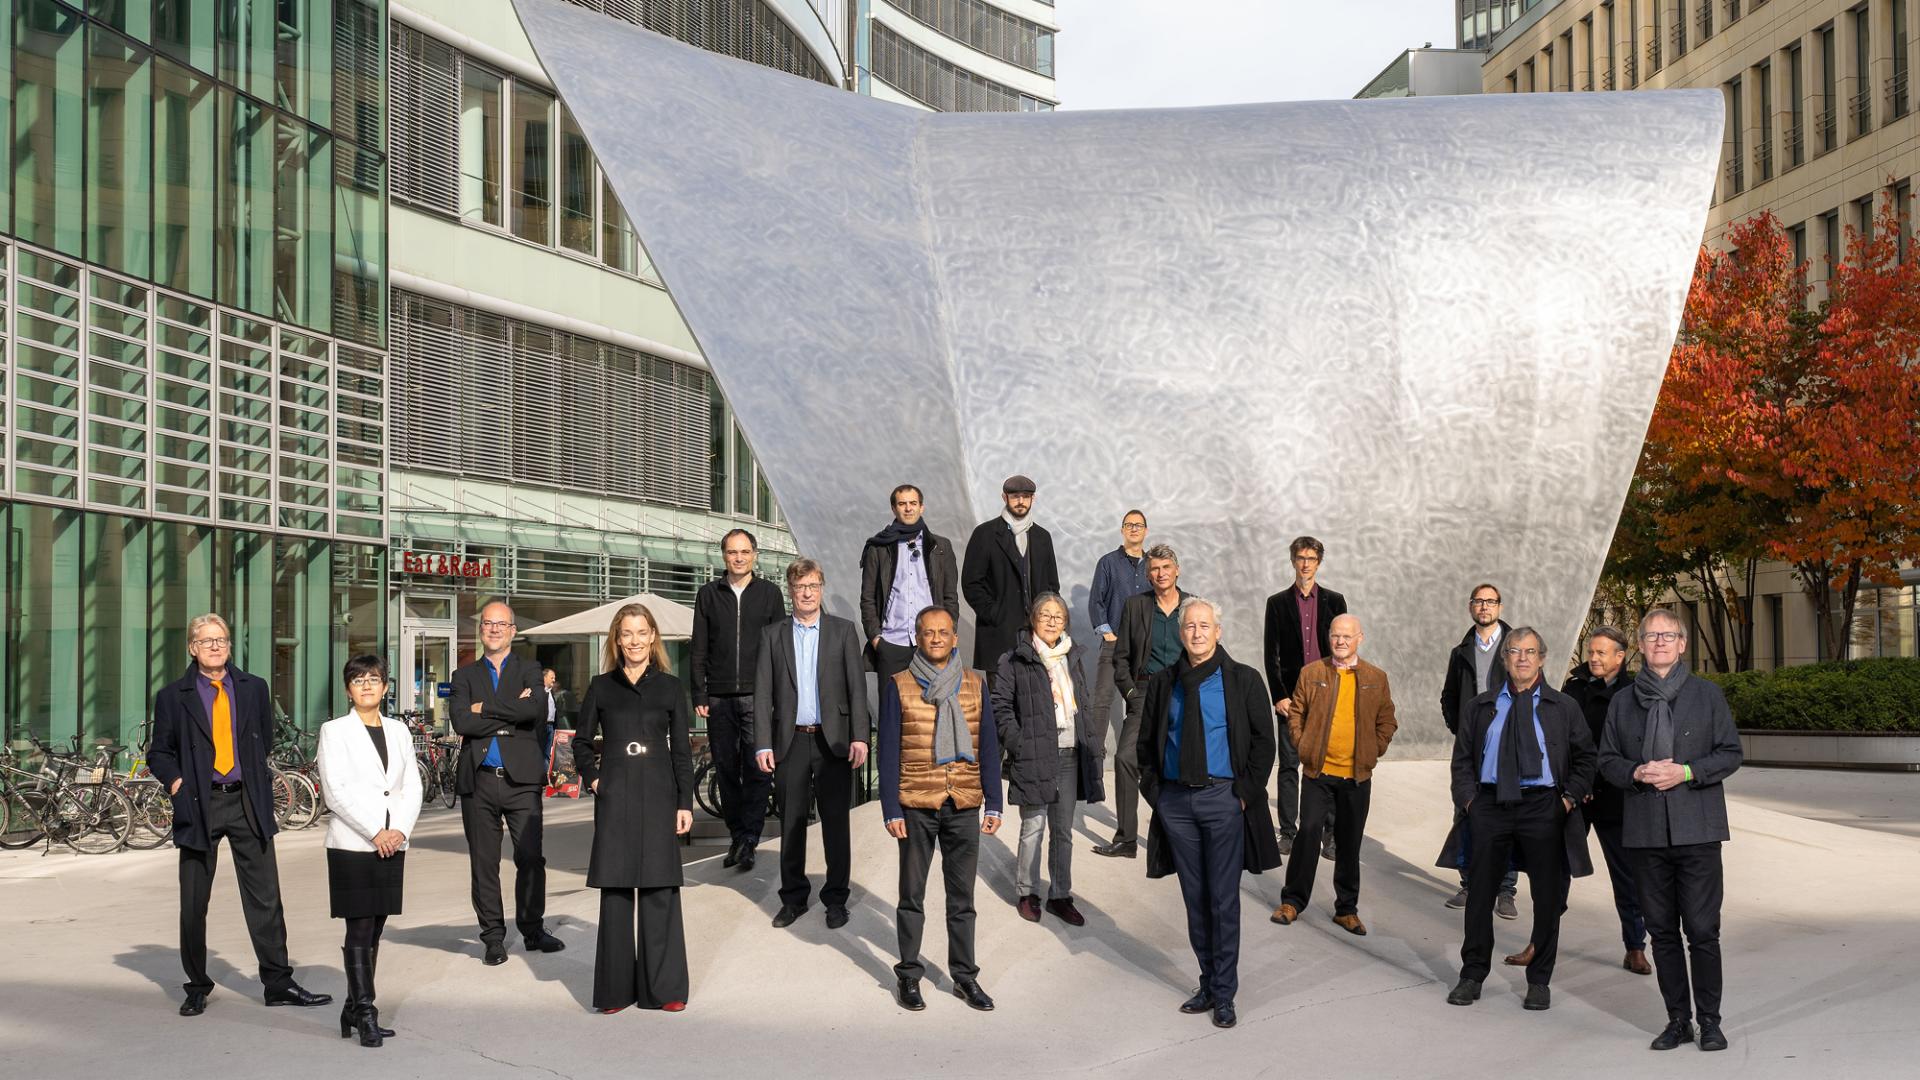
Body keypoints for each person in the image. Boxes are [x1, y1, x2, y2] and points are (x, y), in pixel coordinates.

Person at [149, 613, 332, 1017]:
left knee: (266, 898)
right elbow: (158, 751)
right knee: (194, 903)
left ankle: (278, 983)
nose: (216, 646)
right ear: (193, 648)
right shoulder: (172, 695)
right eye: (207, 640)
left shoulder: (253, 689)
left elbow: (263, 739)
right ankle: (196, 985)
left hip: (247, 802)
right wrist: (177, 781)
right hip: (200, 805)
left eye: (222, 639)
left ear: (230, 646)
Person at [1598, 609, 1743, 1053]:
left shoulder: (1707, 696)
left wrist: (1685, 771)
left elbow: (1730, 753)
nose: (1660, 642)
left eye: (1669, 635)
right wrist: (1636, 772)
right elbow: (1606, 760)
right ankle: (1677, 1020)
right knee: (1661, 932)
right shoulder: (1622, 701)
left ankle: (1710, 1022)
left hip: (1697, 829)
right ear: (1640, 646)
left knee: (1701, 930)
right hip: (1644, 833)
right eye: (1652, 636)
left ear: (1682, 644)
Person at [1138, 597, 1280, 1030]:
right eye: (1190, 626)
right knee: (1195, 901)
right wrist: (1159, 796)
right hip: (1177, 805)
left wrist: (1243, 795)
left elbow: (1263, 742)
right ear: (1181, 634)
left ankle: (1224, 993)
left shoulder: (1243, 680)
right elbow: (1146, 747)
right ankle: (1206, 982)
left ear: (1218, 632)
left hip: (1223, 801)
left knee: (1222, 900)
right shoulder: (1164, 683)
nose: (1197, 633)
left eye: (1205, 625)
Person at [1443, 627, 1596, 1013]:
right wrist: (1469, 802)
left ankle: (1539, 979)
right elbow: (1461, 760)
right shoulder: (1480, 707)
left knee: (1547, 898)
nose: (1523, 658)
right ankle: (1472, 974)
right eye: (1514, 651)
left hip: (1543, 807)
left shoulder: (1563, 708)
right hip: (1490, 805)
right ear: (1504, 659)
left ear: (1542, 658)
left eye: (1530, 651)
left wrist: (1566, 800)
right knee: (1479, 895)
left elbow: (1586, 758)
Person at [878, 606, 1004, 1012]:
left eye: (943, 632)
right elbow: (888, 751)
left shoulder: (975, 684)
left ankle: (965, 978)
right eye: (928, 632)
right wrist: (890, 810)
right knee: (911, 896)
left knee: (962, 899)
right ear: (917, 638)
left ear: (954, 638)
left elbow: (987, 746)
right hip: (916, 804)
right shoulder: (898, 684)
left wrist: (995, 802)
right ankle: (909, 976)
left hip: (964, 802)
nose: (936, 638)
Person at [1505, 626, 1649, 973]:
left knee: (1626, 876)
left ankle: (1635, 947)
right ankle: (1539, 944)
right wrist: (1574, 785)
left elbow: (1634, 745)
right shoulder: (1573, 687)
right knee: (1554, 872)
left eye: (1602, 652)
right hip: (1574, 795)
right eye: (1591, 652)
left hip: (1616, 797)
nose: (1594, 658)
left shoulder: (1634, 693)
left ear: (1620, 656)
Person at [574, 603, 696, 1014]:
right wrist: (593, 777)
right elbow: (580, 741)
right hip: (616, 793)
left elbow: (682, 750)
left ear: (653, 637)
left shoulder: (671, 687)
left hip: (660, 791)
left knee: (660, 889)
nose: (635, 641)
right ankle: (615, 991)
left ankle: (665, 990)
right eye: (627, 633)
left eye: (642, 632)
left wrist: (685, 802)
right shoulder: (600, 686)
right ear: (617, 639)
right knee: (617, 890)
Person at [754, 559, 869, 929]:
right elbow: (762, 694)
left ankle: (836, 899)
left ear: (821, 588)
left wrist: (860, 737)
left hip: (832, 741)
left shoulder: (843, 631)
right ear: (791, 590)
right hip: (790, 742)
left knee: (836, 824)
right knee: (791, 823)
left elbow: (857, 689)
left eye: (813, 585)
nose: (807, 592)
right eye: (800, 586)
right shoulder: (772, 635)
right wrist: (762, 744)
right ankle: (793, 899)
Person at [316, 655, 422, 1047]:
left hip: (393, 841)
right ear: (348, 689)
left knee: (377, 925)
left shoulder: (398, 731)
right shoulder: (335, 730)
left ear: (385, 687)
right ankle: (366, 1011)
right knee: (359, 927)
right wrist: (376, 831)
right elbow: (335, 791)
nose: (366, 686)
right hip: (355, 843)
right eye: (358, 680)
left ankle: (352, 1007)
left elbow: (413, 785)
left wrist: (398, 831)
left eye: (373, 679)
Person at [452, 600, 563, 965]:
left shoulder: (530, 670)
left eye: (502, 624)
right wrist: (507, 712)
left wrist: (485, 708)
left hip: (522, 782)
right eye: (488, 623)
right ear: (480, 629)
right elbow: (462, 724)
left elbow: (533, 712)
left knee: (531, 857)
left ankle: (532, 929)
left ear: (513, 631)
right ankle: (493, 938)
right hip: (479, 781)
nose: (494, 629)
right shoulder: (464, 676)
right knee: (484, 863)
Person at [1273, 614, 1396, 934]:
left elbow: (1387, 720)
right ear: (1328, 638)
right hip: (1318, 772)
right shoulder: (1312, 673)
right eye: (1335, 636)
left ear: (1360, 638)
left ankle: (1346, 909)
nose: (1340, 641)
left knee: (1348, 842)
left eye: (1347, 636)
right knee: (1308, 833)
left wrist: (1374, 749)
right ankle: (1293, 901)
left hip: (1356, 777)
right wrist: (1304, 745)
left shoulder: (1375, 677)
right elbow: (1296, 712)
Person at [991, 592, 1097, 926]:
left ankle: (1061, 895)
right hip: (1034, 755)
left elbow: (1084, 699)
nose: (1052, 621)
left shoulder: (1072, 656)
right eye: (1045, 615)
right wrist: (1019, 743)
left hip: (1068, 754)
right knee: (1033, 827)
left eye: (1058, 616)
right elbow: (1001, 705)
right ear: (1033, 619)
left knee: (1063, 831)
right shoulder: (1015, 659)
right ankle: (1028, 892)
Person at [690, 528, 786, 872]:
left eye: (745, 551)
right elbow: (698, 646)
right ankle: (737, 834)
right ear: (724, 556)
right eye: (732, 552)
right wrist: (698, 691)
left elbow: (780, 648)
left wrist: (779, 694)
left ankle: (750, 839)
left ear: (755, 555)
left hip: (758, 696)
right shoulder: (708, 595)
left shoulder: (770, 594)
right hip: (717, 697)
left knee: (758, 769)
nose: (739, 557)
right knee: (726, 769)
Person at [1093, 544, 1188, 859]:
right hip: (1144, 692)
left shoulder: (1191, 606)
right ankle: (1126, 839)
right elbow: (1121, 658)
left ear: (1176, 570)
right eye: (1155, 569)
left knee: (1177, 766)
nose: (1160, 574)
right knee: (1125, 758)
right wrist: (1131, 693)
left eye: (1166, 567)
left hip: (1181, 694)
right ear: (1148, 575)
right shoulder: (1135, 606)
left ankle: (1180, 836)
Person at [1262, 536, 1347, 860]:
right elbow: (1271, 654)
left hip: (1328, 696)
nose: (1306, 563)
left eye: (1311, 558)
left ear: (1319, 562)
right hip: (1292, 699)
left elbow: (1344, 649)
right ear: (1293, 560)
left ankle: (1331, 834)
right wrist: (1279, 696)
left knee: (1328, 764)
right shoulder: (1277, 603)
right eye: (1301, 557)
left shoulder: (1335, 601)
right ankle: (1288, 831)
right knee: (1289, 766)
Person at [1440, 583, 1519, 915]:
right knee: (1467, 810)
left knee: (1509, 815)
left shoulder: (1518, 647)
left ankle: (1506, 890)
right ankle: (1469, 883)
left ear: (1500, 607)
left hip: (1510, 745)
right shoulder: (1461, 651)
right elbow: (1448, 697)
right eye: (1479, 601)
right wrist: (1462, 729)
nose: (1484, 607)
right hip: (1471, 748)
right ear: (1471, 607)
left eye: (1491, 602)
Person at [962, 475, 1060, 679]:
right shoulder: (985, 534)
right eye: (1015, 496)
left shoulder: (1042, 537)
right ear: (1004, 498)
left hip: (1037, 635)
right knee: (1000, 703)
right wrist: (994, 613)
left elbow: (1052, 585)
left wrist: (1048, 620)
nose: (1021, 501)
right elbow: (971, 583)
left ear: (1033, 499)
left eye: (1026, 496)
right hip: (999, 634)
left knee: (1035, 703)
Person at [860, 484, 960, 680]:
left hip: (932, 643)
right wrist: (876, 639)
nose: (908, 508)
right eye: (902, 504)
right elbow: (868, 598)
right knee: (891, 708)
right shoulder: (879, 548)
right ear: (894, 508)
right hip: (891, 644)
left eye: (913, 503)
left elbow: (950, 596)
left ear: (921, 507)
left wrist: (950, 632)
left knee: (932, 707)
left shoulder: (940, 547)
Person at [1086, 510, 1151, 775]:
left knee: (1141, 702)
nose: (1134, 529)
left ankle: (1137, 760)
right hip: (1114, 643)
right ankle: (1094, 763)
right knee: (1102, 700)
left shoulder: (1153, 565)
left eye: (1139, 525)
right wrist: (1109, 634)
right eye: (1129, 525)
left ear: (1146, 530)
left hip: (1145, 647)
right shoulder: (1108, 563)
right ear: (1122, 530)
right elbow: (1095, 602)